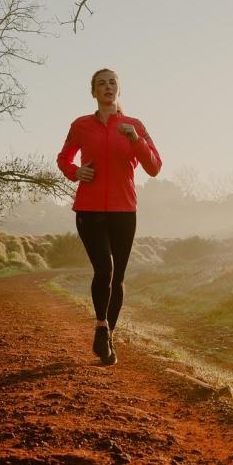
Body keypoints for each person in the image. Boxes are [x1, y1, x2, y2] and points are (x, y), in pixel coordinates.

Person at [56, 68, 162, 365]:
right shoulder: (80, 125)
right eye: (101, 83)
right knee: (104, 269)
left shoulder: (134, 125)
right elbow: (63, 158)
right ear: (93, 92)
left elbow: (154, 167)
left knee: (118, 277)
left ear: (119, 90)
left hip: (124, 211)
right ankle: (102, 327)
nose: (107, 87)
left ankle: (107, 335)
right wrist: (75, 172)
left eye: (112, 82)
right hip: (88, 209)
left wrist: (136, 139)